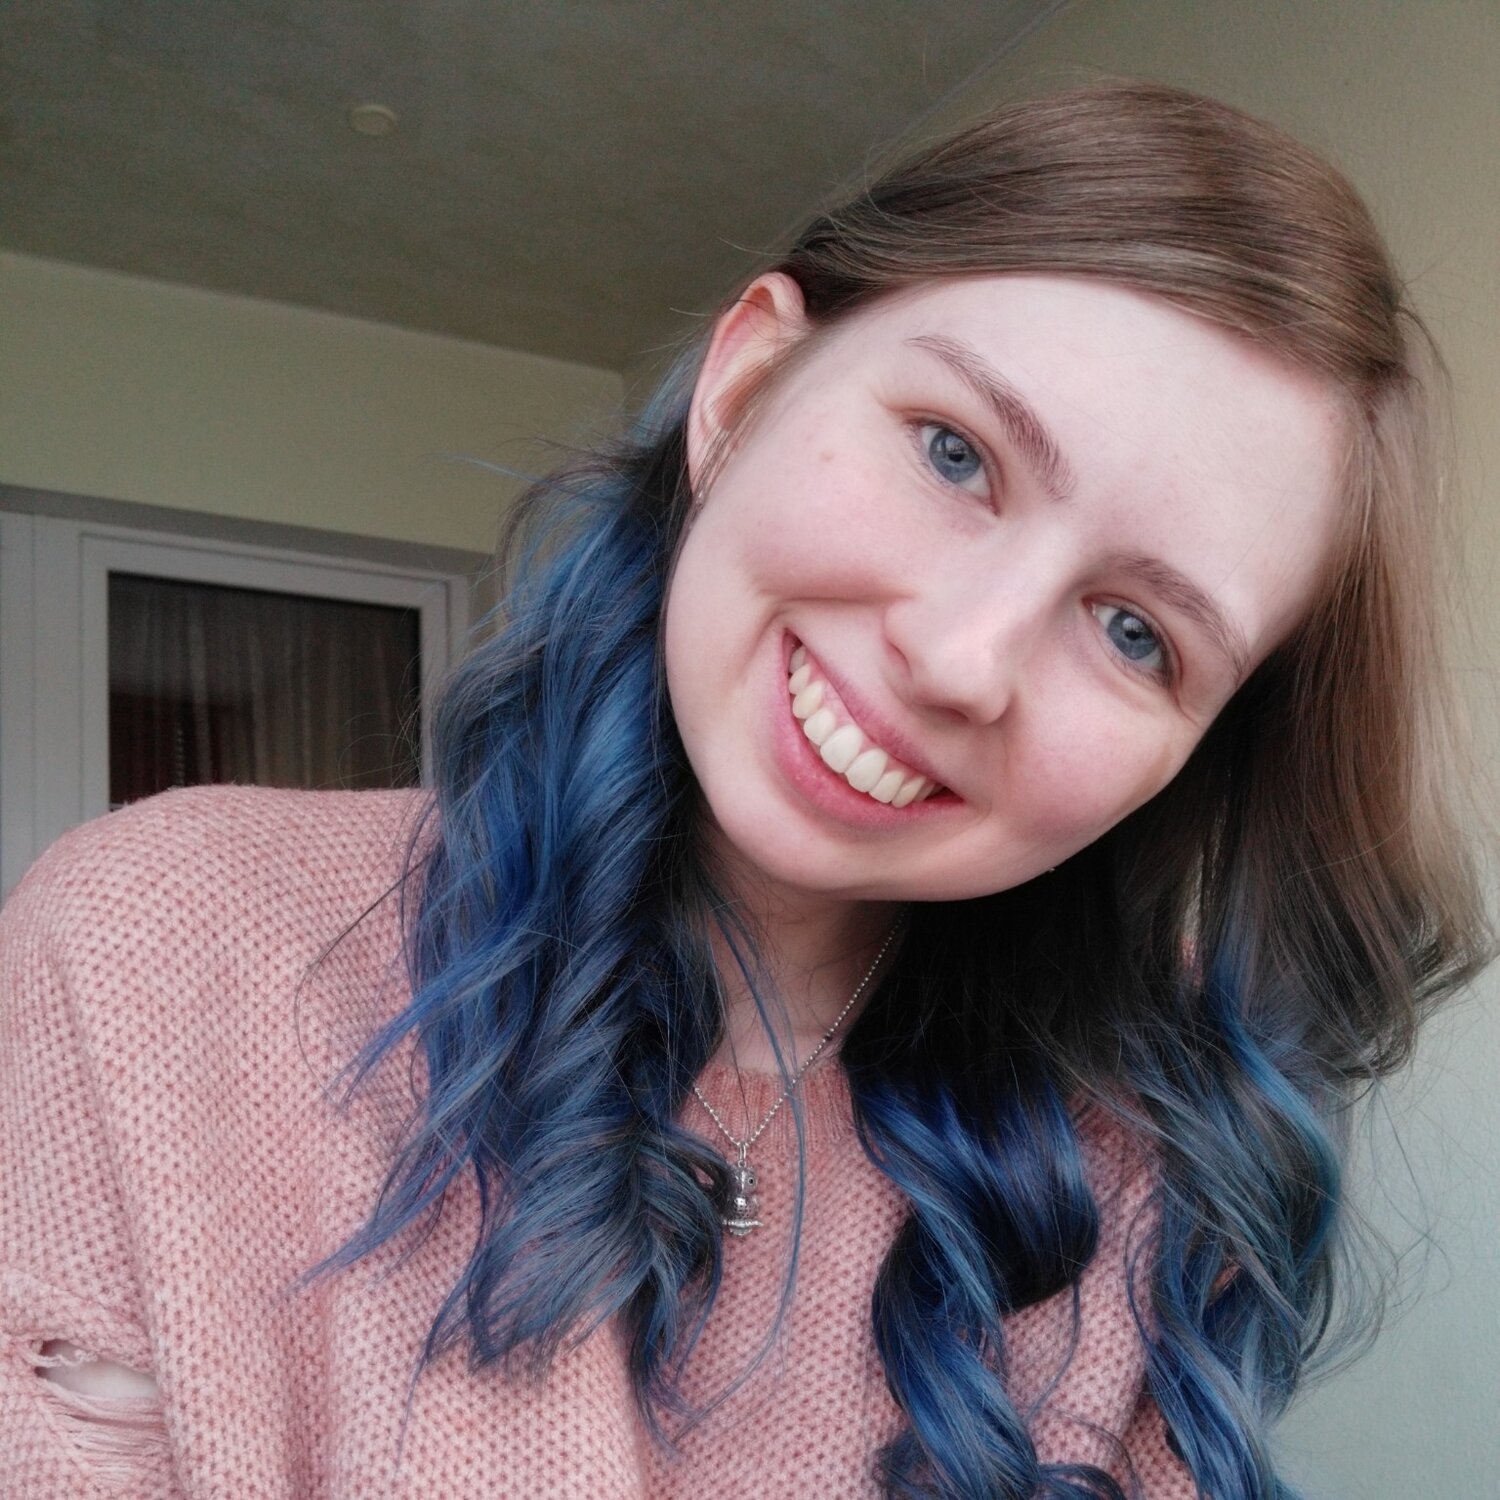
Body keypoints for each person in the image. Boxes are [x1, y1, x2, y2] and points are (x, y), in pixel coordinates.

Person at [1, 80, 1491, 1500]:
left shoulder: (1144, 1174)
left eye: (1135, 634)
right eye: (954, 455)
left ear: (1188, 759)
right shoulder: (159, 944)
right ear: (749, 382)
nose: (962, 659)